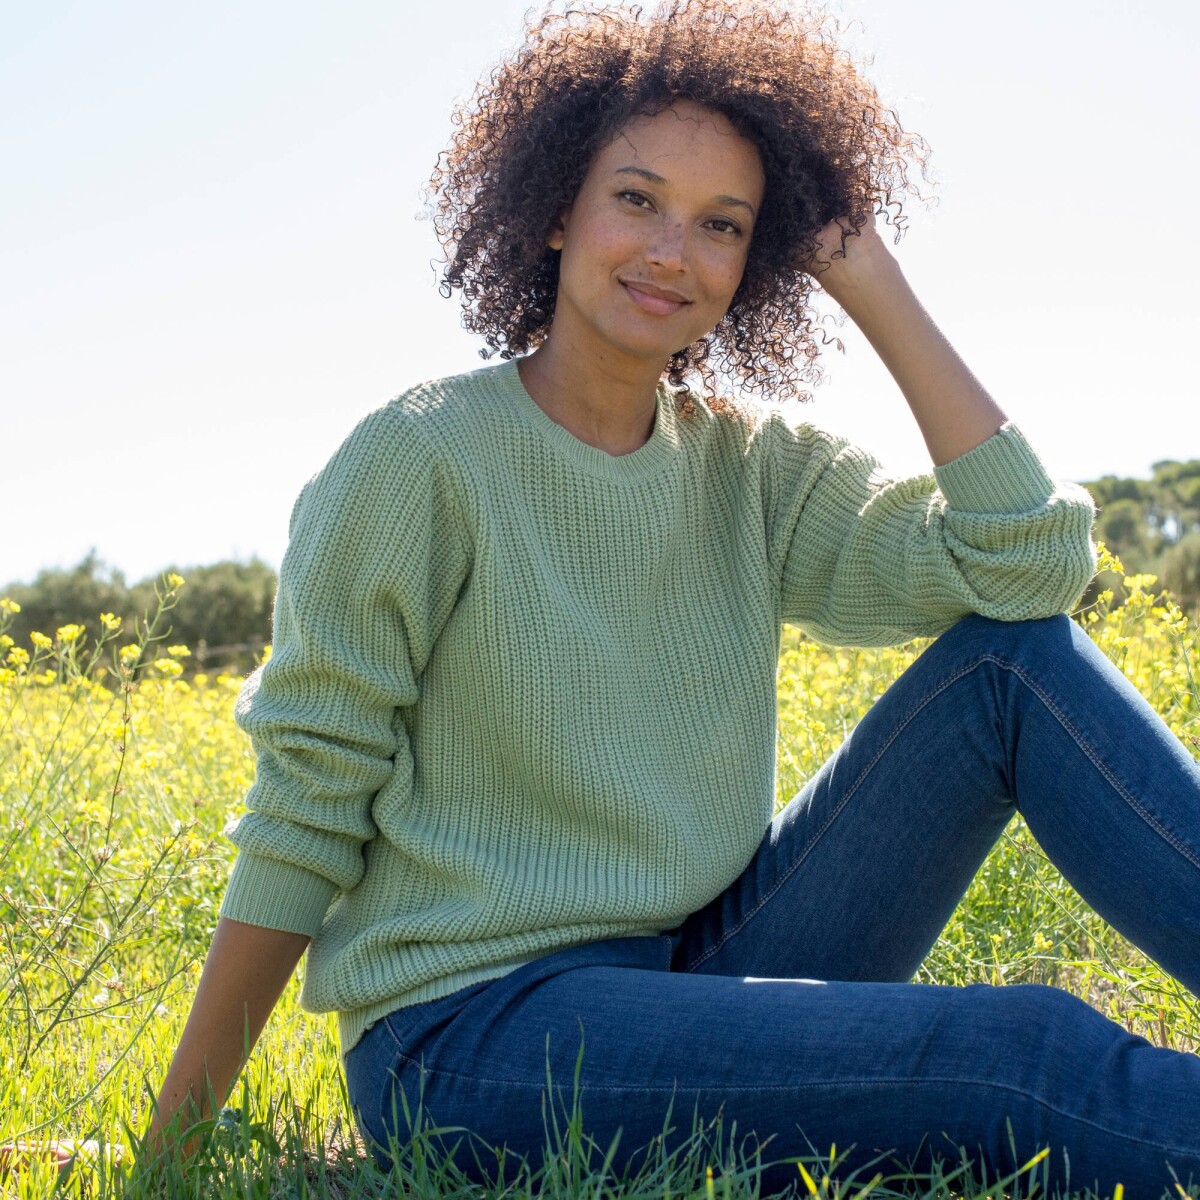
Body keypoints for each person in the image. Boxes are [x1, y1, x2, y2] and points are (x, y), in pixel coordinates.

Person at [148, 1, 1200, 1194]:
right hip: (473, 1041)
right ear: (553, 208)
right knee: (1019, 1052)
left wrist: (870, 278)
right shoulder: (419, 460)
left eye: (723, 225)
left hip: (688, 972)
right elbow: (304, 812)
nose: (670, 253)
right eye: (636, 199)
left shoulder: (746, 464)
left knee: (1013, 670)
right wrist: (173, 1144)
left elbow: (1030, 568)